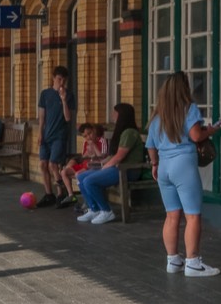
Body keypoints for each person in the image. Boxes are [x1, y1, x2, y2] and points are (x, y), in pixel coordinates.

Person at [145, 71, 221, 277]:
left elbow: (150, 146)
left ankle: (173, 260)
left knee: (171, 216)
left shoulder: (157, 116)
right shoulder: (189, 109)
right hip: (183, 165)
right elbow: (196, 135)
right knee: (193, 216)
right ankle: (193, 263)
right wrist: (211, 131)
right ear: (184, 88)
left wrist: (154, 164)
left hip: (164, 167)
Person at [75, 104, 145, 224]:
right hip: (117, 167)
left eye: (115, 113)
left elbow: (120, 156)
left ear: (122, 115)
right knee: (81, 177)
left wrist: (105, 167)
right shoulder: (123, 131)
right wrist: (103, 162)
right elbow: (114, 156)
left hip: (128, 170)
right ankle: (94, 209)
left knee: (89, 181)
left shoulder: (130, 133)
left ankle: (106, 211)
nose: (112, 115)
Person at [36, 65, 74, 206]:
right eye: (59, 79)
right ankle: (48, 194)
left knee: (54, 164)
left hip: (59, 135)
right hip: (46, 134)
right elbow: (41, 116)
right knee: (42, 164)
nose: (62, 83)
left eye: (64, 80)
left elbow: (68, 118)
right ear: (53, 78)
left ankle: (61, 192)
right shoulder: (45, 94)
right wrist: (40, 133)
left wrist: (63, 100)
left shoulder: (69, 95)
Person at [59, 122, 108, 207]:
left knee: (78, 175)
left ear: (93, 130)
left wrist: (94, 147)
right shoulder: (86, 143)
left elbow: (102, 157)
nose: (88, 137)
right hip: (85, 165)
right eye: (85, 136)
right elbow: (83, 157)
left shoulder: (101, 140)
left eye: (90, 133)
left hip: (93, 166)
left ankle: (88, 200)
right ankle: (71, 196)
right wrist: (87, 153)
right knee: (64, 172)